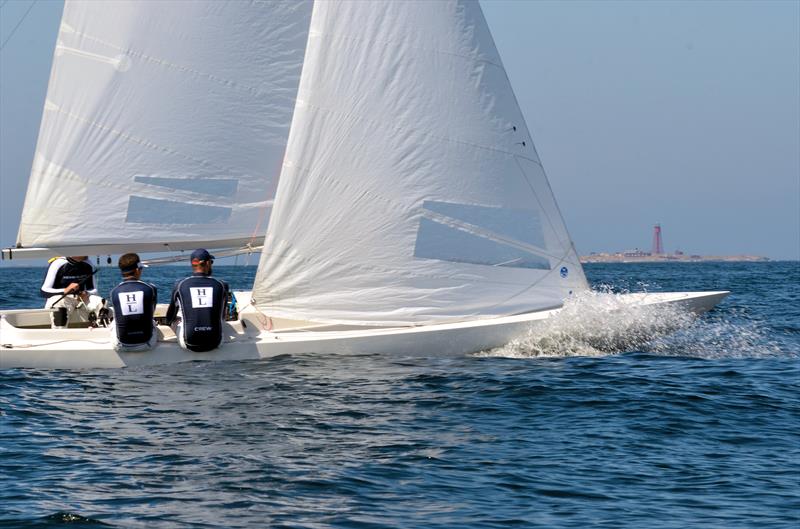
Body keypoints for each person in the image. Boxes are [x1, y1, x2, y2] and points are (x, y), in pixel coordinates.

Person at [165, 249, 229, 352]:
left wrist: (171, 322)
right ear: (208, 263)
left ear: (192, 264)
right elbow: (223, 315)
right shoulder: (222, 285)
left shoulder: (180, 284)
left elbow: (170, 316)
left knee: (176, 320)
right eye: (211, 262)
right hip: (216, 342)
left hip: (188, 343)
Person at [109, 253, 158, 352]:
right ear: (137, 270)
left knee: (114, 321)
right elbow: (151, 312)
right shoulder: (150, 288)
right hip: (147, 343)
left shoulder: (114, 291)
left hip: (121, 345)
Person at [41, 255, 103, 328]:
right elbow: (44, 291)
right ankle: (59, 334)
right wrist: (65, 291)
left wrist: (86, 293)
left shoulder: (88, 264)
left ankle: (101, 331)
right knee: (60, 306)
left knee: (101, 303)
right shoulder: (58, 263)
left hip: (81, 299)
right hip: (62, 299)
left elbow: (94, 290)